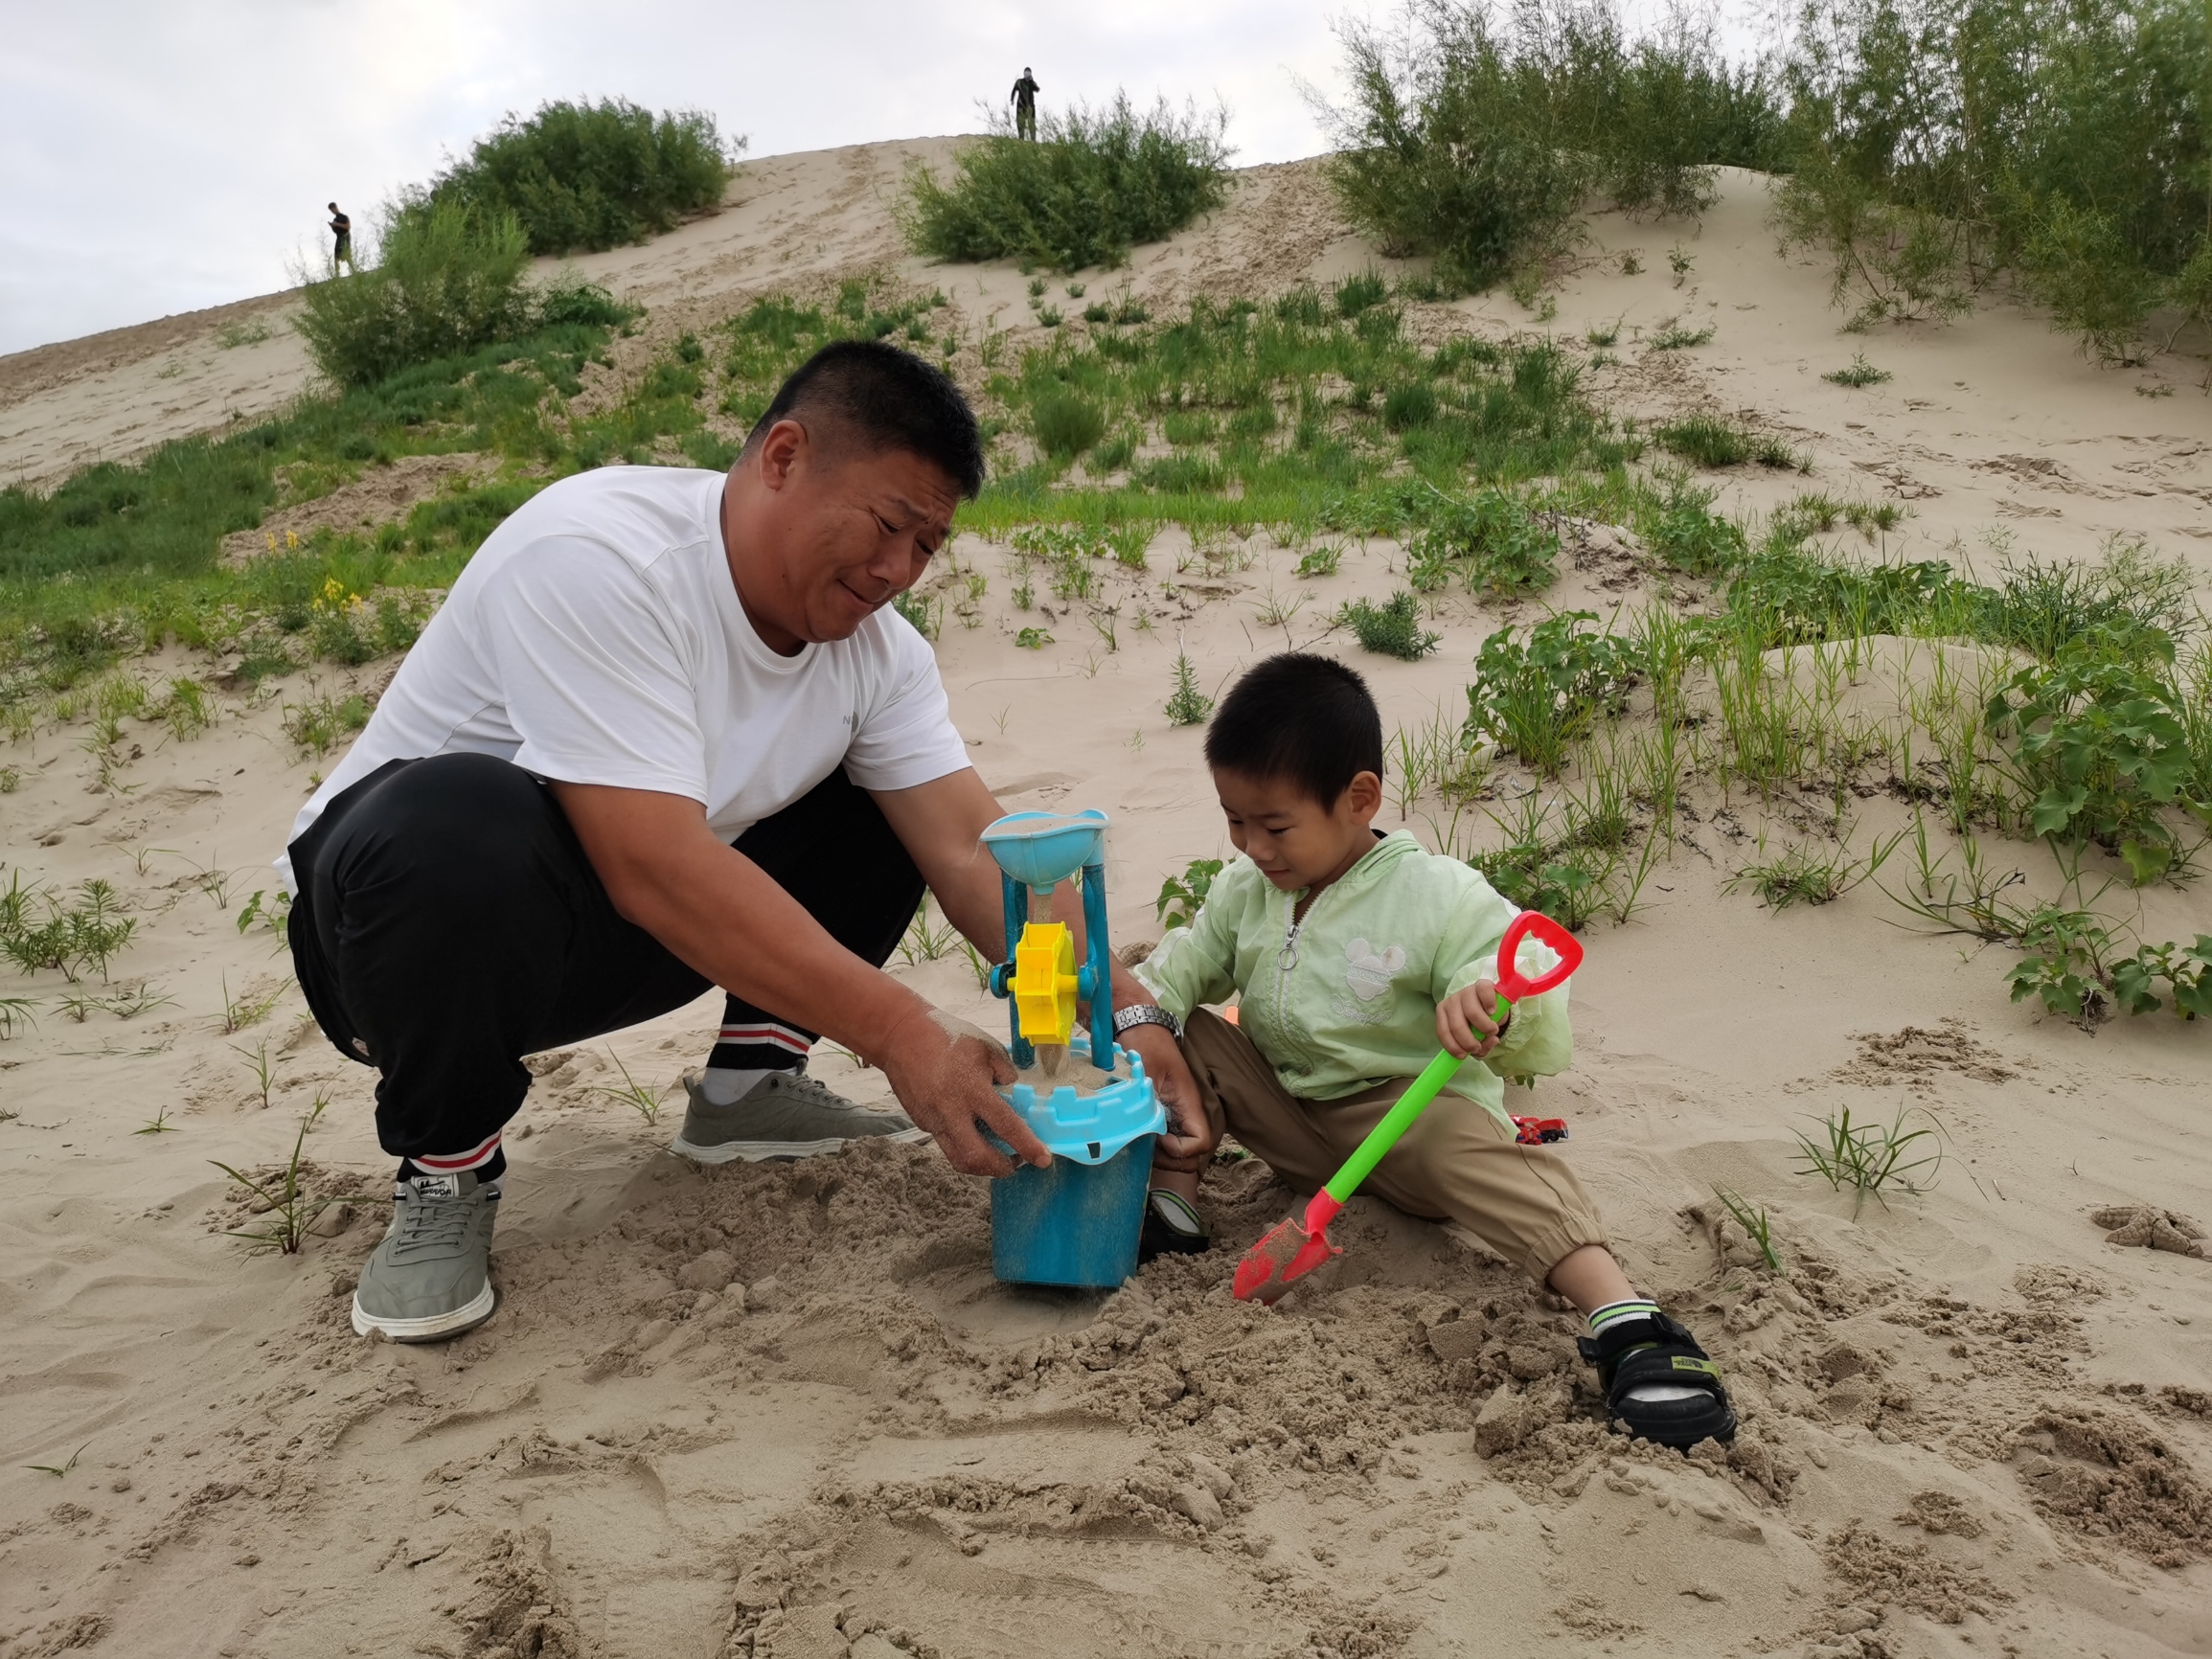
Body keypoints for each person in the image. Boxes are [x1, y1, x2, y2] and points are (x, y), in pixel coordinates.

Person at [280, 339, 1209, 1344]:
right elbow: (650, 864)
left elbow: (972, 850)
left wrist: (1130, 1015)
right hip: (397, 944)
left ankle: (750, 1089)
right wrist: (904, 1035)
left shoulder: (877, 656)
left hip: (621, 934)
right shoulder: (597, 554)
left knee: (881, 795)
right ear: (782, 457)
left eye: (927, 547)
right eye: (888, 525)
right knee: (457, 816)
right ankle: (446, 1169)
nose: (897, 571)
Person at [1109, 653, 1738, 1448]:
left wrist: (1486, 1001)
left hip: (1406, 1125)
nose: (1251, 845)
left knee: (1470, 1147)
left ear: (1358, 798)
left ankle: (1627, 1320)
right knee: (1182, 1031)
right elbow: (1178, 969)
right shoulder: (1245, 890)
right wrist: (1133, 1014)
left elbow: (1516, 964)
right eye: (1234, 820)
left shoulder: (1436, 893)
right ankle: (1175, 1198)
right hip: (1293, 1122)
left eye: (1273, 825)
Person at [1011, 68, 1041, 141]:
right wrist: (1012, 99)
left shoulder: (1032, 83)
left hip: (1030, 106)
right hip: (1021, 106)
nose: (1027, 73)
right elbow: (1014, 90)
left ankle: (1033, 141)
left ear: (1030, 73)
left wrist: (1031, 81)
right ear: (1024, 73)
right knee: (1021, 123)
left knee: (1031, 123)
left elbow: (1037, 89)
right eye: (1026, 72)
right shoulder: (1019, 82)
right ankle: (1021, 139)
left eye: (1028, 72)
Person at [328, 202, 354, 273]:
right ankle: (337, 275)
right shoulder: (335, 219)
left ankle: (354, 272)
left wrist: (337, 224)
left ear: (335, 207)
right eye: (331, 211)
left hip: (345, 236)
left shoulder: (344, 217)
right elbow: (336, 231)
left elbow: (347, 227)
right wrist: (332, 227)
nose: (332, 212)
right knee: (336, 257)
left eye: (332, 210)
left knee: (347, 254)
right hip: (339, 237)